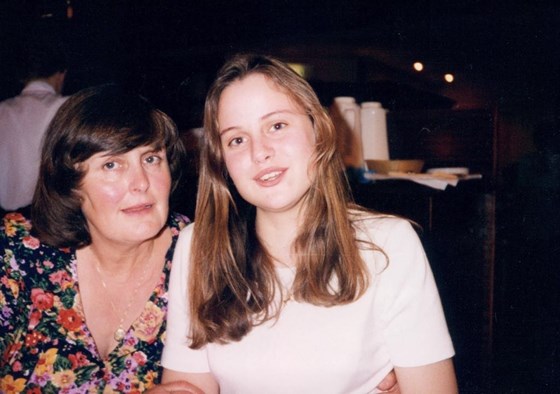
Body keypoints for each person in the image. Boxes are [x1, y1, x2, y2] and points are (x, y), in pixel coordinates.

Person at [160, 54, 458, 393]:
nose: (260, 152)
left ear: (318, 130)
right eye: (237, 140)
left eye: (277, 125)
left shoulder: (389, 245)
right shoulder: (198, 246)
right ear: (222, 162)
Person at [0, 85, 202, 393]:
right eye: (111, 165)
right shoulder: (15, 252)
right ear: (71, 184)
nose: (141, 184)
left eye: (150, 159)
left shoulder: (201, 258)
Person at [0, 41, 69, 211]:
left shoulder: (3, 110)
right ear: (61, 75)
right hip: (55, 220)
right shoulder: (68, 108)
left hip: (6, 223)